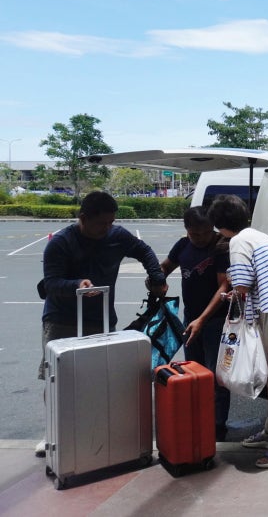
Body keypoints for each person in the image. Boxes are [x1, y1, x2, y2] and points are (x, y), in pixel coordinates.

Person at [38, 191, 167, 455]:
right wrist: (77, 284)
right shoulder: (61, 243)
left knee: (97, 378)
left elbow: (144, 250)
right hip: (61, 320)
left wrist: (156, 276)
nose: (107, 228)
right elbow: (50, 284)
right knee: (58, 379)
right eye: (101, 224)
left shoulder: (116, 236)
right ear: (83, 218)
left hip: (101, 320)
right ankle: (52, 432)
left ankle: (93, 430)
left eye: (111, 222)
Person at [207, 194, 268, 469]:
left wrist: (233, 298)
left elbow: (240, 285)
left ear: (218, 225)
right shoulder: (260, 236)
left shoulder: (238, 242)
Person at [160, 206, 231, 441]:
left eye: (204, 233)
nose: (199, 239)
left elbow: (224, 286)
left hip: (215, 322)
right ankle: (199, 420)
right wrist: (156, 278)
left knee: (215, 376)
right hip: (190, 320)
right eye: (194, 234)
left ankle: (218, 427)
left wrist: (202, 319)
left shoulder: (221, 247)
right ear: (186, 230)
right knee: (193, 372)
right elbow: (165, 267)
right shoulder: (182, 245)